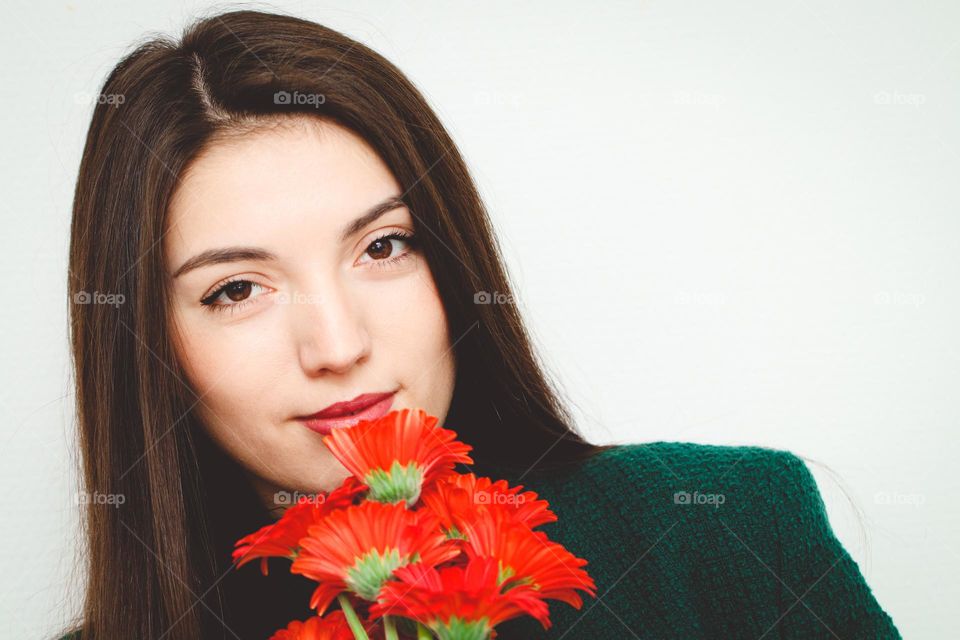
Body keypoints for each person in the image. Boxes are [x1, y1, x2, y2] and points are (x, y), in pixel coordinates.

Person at [57, 9, 901, 639]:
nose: (339, 345)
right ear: (146, 349)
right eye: (238, 290)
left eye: (384, 246)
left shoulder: (726, 530)